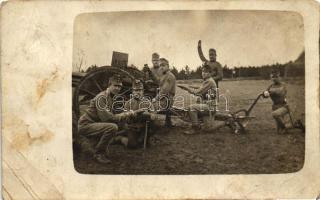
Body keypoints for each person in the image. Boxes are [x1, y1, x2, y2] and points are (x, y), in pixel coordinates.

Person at [77, 75, 145, 164]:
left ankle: (98, 144)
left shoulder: (111, 97)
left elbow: (113, 115)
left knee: (120, 125)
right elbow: (107, 118)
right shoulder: (101, 97)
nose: (118, 88)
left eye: (120, 86)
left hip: (95, 124)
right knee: (112, 127)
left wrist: (125, 117)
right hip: (86, 125)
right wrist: (130, 113)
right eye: (115, 85)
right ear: (109, 85)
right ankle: (99, 154)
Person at [178, 64, 217, 135]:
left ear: (210, 73)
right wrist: (189, 86)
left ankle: (195, 128)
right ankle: (199, 122)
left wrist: (187, 88)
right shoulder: (208, 80)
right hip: (209, 105)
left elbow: (198, 92)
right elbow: (200, 87)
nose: (203, 73)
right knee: (198, 101)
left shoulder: (209, 81)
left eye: (206, 72)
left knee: (191, 108)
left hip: (210, 107)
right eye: (202, 71)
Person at [262, 69, 304, 134]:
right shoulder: (270, 86)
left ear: (279, 77)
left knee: (274, 114)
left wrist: (269, 92)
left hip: (284, 107)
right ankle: (296, 124)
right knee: (279, 132)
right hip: (275, 107)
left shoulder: (283, 85)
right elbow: (265, 95)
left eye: (276, 77)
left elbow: (280, 92)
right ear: (271, 78)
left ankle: (287, 126)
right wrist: (264, 94)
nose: (274, 79)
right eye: (273, 77)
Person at [120, 79, 155, 148]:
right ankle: (120, 138)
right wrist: (132, 114)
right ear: (132, 92)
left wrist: (149, 114)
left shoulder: (148, 102)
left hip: (144, 128)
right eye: (136, 90)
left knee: (152, 128)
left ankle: (144, 138)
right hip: (132, 127)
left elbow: (154, 115)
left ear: (143, 91)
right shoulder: (128, 103)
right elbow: (124, 119)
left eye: (140, 90)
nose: (138, 92)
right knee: (132, 145)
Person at [152, 58, 176, 127]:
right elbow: (159, 83)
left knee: (151, 105)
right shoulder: (164, 75)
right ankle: (168, 123)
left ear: (168, 66)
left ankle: (152, 126)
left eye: (163, 65)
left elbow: (164, 90)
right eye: (160, 65)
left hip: (167, 99)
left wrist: (156, 99)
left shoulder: (170, 76)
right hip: (164, 98)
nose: (161, 67)